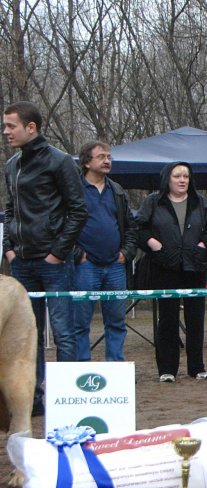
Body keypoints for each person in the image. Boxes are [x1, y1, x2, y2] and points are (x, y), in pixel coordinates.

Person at [2, 101, 87, 417]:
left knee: (64, 332)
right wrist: (10, 248)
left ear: (31, 127)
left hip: (53, 262)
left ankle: (66, 399)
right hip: (21, 261)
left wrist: (58, 253)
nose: (6, 131)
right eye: (5, 125)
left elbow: (78, 210)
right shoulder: (11, 165)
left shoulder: (60, 161)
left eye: (11, 125)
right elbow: (10, 207)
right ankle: (33, 400)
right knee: (26, 336)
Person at [135, 161, 207, 382]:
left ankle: (197, 367)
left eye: (186, 176)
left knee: (195, 319)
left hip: (194, 267)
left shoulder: (200, 202)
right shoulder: (153, 202)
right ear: (167, 179)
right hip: (164, 267)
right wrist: (154, 244)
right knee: (167, 319)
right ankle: (167, 369)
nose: (182, 180)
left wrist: (203, 246)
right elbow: (139, 228)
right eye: (177, 176)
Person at [73, 141, 138, 361]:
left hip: (115, 267)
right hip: (85, 266)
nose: (107, 160)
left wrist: (125, 254)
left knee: (117, 322)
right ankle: (82, 370)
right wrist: (77, 255)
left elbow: (131, 227)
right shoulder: (73, 190)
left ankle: (115, 370)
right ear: (86, 162)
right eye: (101, 156)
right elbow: (61, 226)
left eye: (109, 157)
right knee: (80, 323)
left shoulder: (117, 191)